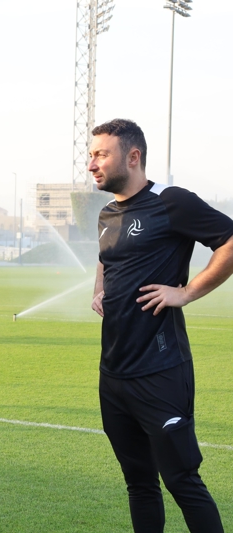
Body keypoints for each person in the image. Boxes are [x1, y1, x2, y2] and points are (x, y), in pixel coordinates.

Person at [89, 118, 233, 533]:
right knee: (139, 484)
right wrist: (99, 289)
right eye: (90, 155)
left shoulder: (171, 201)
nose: (91, 164)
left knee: (182, 480)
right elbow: (105, 257)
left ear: (133, 156)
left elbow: (229, 241)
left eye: (101, 155)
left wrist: (185, 293)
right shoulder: (107, 213)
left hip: (161, 370)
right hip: (113, 374)